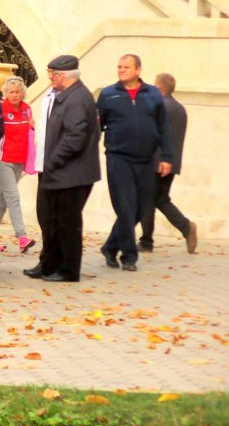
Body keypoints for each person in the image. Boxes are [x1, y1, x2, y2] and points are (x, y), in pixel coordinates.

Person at [24, 55, 100, 282]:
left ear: (63, 76)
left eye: (52, 74)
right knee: (53, 221)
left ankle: (68, 270)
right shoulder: (67, 96)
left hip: (71, 174)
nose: (49, 78)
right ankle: (50, 265)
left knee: (68, 224)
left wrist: (52, 160)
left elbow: (75, 137)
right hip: (63, 172)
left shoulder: (77, 99)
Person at [96, 54, 173, 272]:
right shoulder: (108, 94)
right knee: (125, 207)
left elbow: (164, 128)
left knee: (141, 208)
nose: (121, 70)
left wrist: (167, 157)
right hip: (118, 158)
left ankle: (110, 247)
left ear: (138, 70)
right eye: (119, 66)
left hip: (147, 160)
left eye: (126, 67)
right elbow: (96, 125)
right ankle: (129, 256)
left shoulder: (153, 95)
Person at [139, 73, 197, 253]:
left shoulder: (160, 107)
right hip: (171, 162)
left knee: (147, 201)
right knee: (161, 199)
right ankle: (186, 227)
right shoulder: (180, 109)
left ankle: (146, 242)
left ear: (159, 87)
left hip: (157, 162)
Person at [0, 76, 35, 253]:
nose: (14, 95)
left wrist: (33, 126)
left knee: (2, 200)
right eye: (11, 92)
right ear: (5, 93)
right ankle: (22, 236)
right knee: (13, 196)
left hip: (19, 161)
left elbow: (29, 134)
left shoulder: (27, 110)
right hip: (2, 160)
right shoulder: (0, 109)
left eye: (17, 92)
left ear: (23, 93)